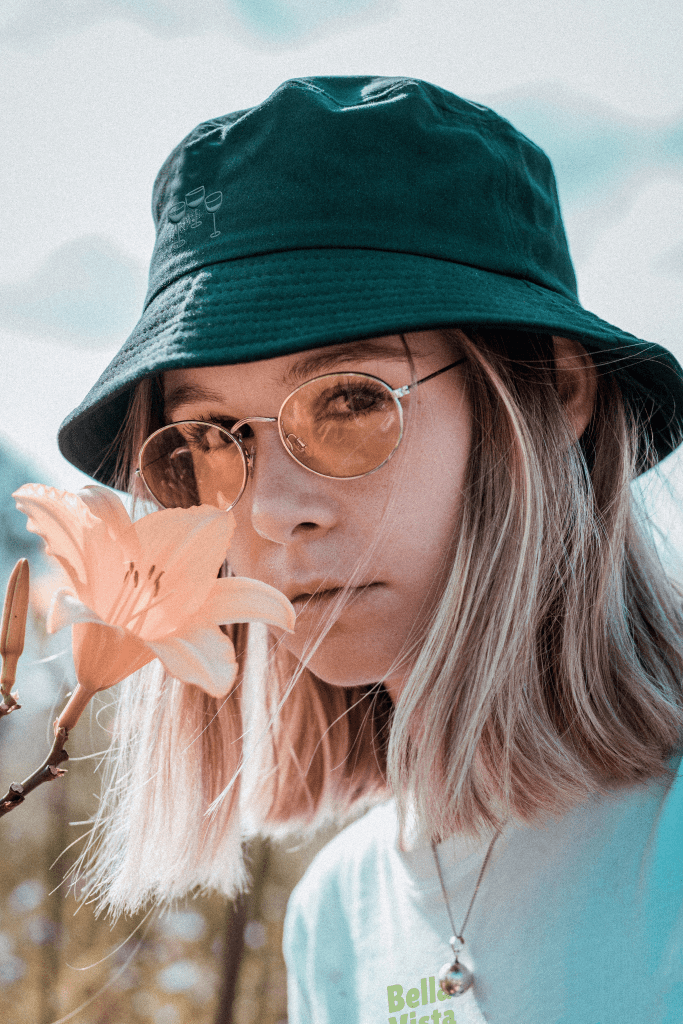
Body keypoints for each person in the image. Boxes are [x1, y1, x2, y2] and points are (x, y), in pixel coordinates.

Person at [56, 77, 683, 1023]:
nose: (270, 512)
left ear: (553, 397)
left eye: (349, 400)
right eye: (214, 438)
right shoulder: (335, 921)